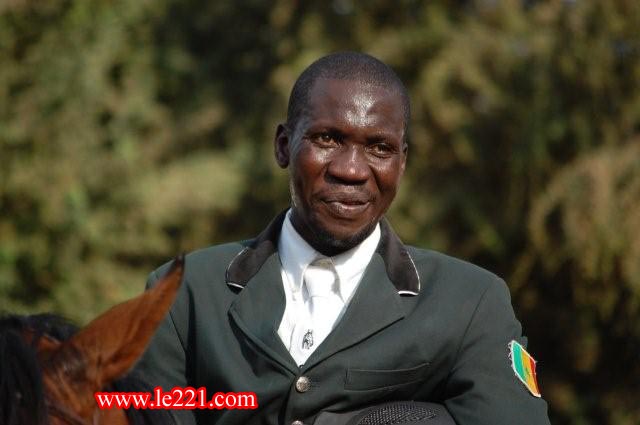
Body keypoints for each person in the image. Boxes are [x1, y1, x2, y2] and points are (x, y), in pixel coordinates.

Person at [137, 52, 551, 425]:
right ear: (283, 146)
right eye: (328, 139)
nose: (351, 170)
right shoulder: (181, 296)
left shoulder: (470, 304)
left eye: (380, 148)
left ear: (402, 163)